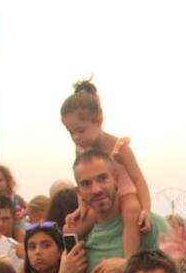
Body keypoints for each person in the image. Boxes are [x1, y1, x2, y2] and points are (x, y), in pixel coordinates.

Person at [66, 150, 169, 273]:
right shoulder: (83, 240)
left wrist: (128, 266)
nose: (96, 189)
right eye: (86, 183)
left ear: (116, 178)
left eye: (102, 178)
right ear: (79, 191)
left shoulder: (147, 223)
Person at [59, 80, 153, 260]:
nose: (76, 137)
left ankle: (128, 261)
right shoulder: (80, 150)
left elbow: (138, 180)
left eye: (80, 130)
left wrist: (146, 209)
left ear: (98, 121)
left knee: (132, 210)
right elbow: (82, 182)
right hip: (97, 198)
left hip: (124, 191)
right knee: (70, 228)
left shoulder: (119, 147)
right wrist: (82, 206)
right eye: (71, 133)